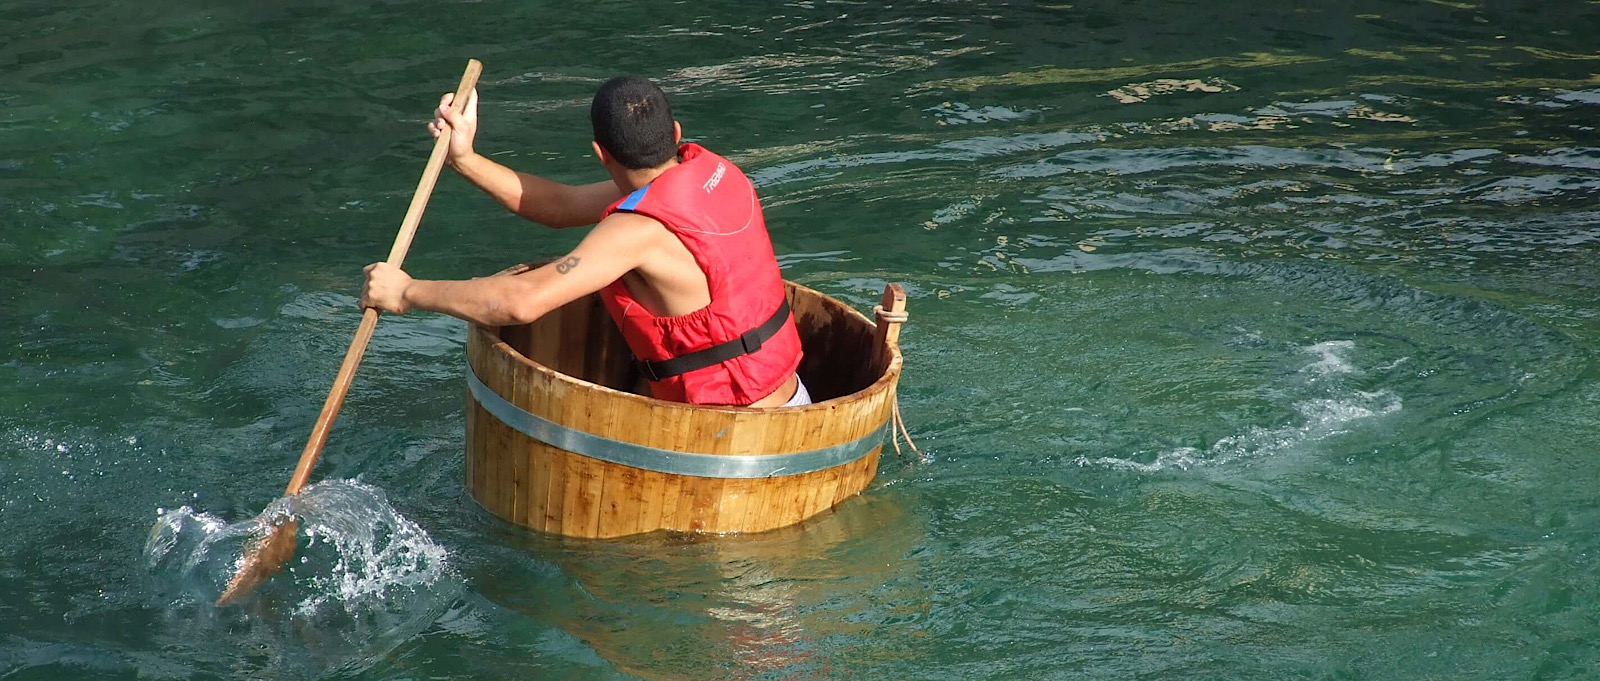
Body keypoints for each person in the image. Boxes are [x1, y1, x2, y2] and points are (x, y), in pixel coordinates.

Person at [360, 76, 809, 408]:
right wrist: (465, 159)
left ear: (600, 154)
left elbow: (521, 302)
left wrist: (406, 291)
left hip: (728, 439)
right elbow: (561, 205)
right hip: (794, 406)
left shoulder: (637, 232)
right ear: (675, 134)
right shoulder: (711, 172)